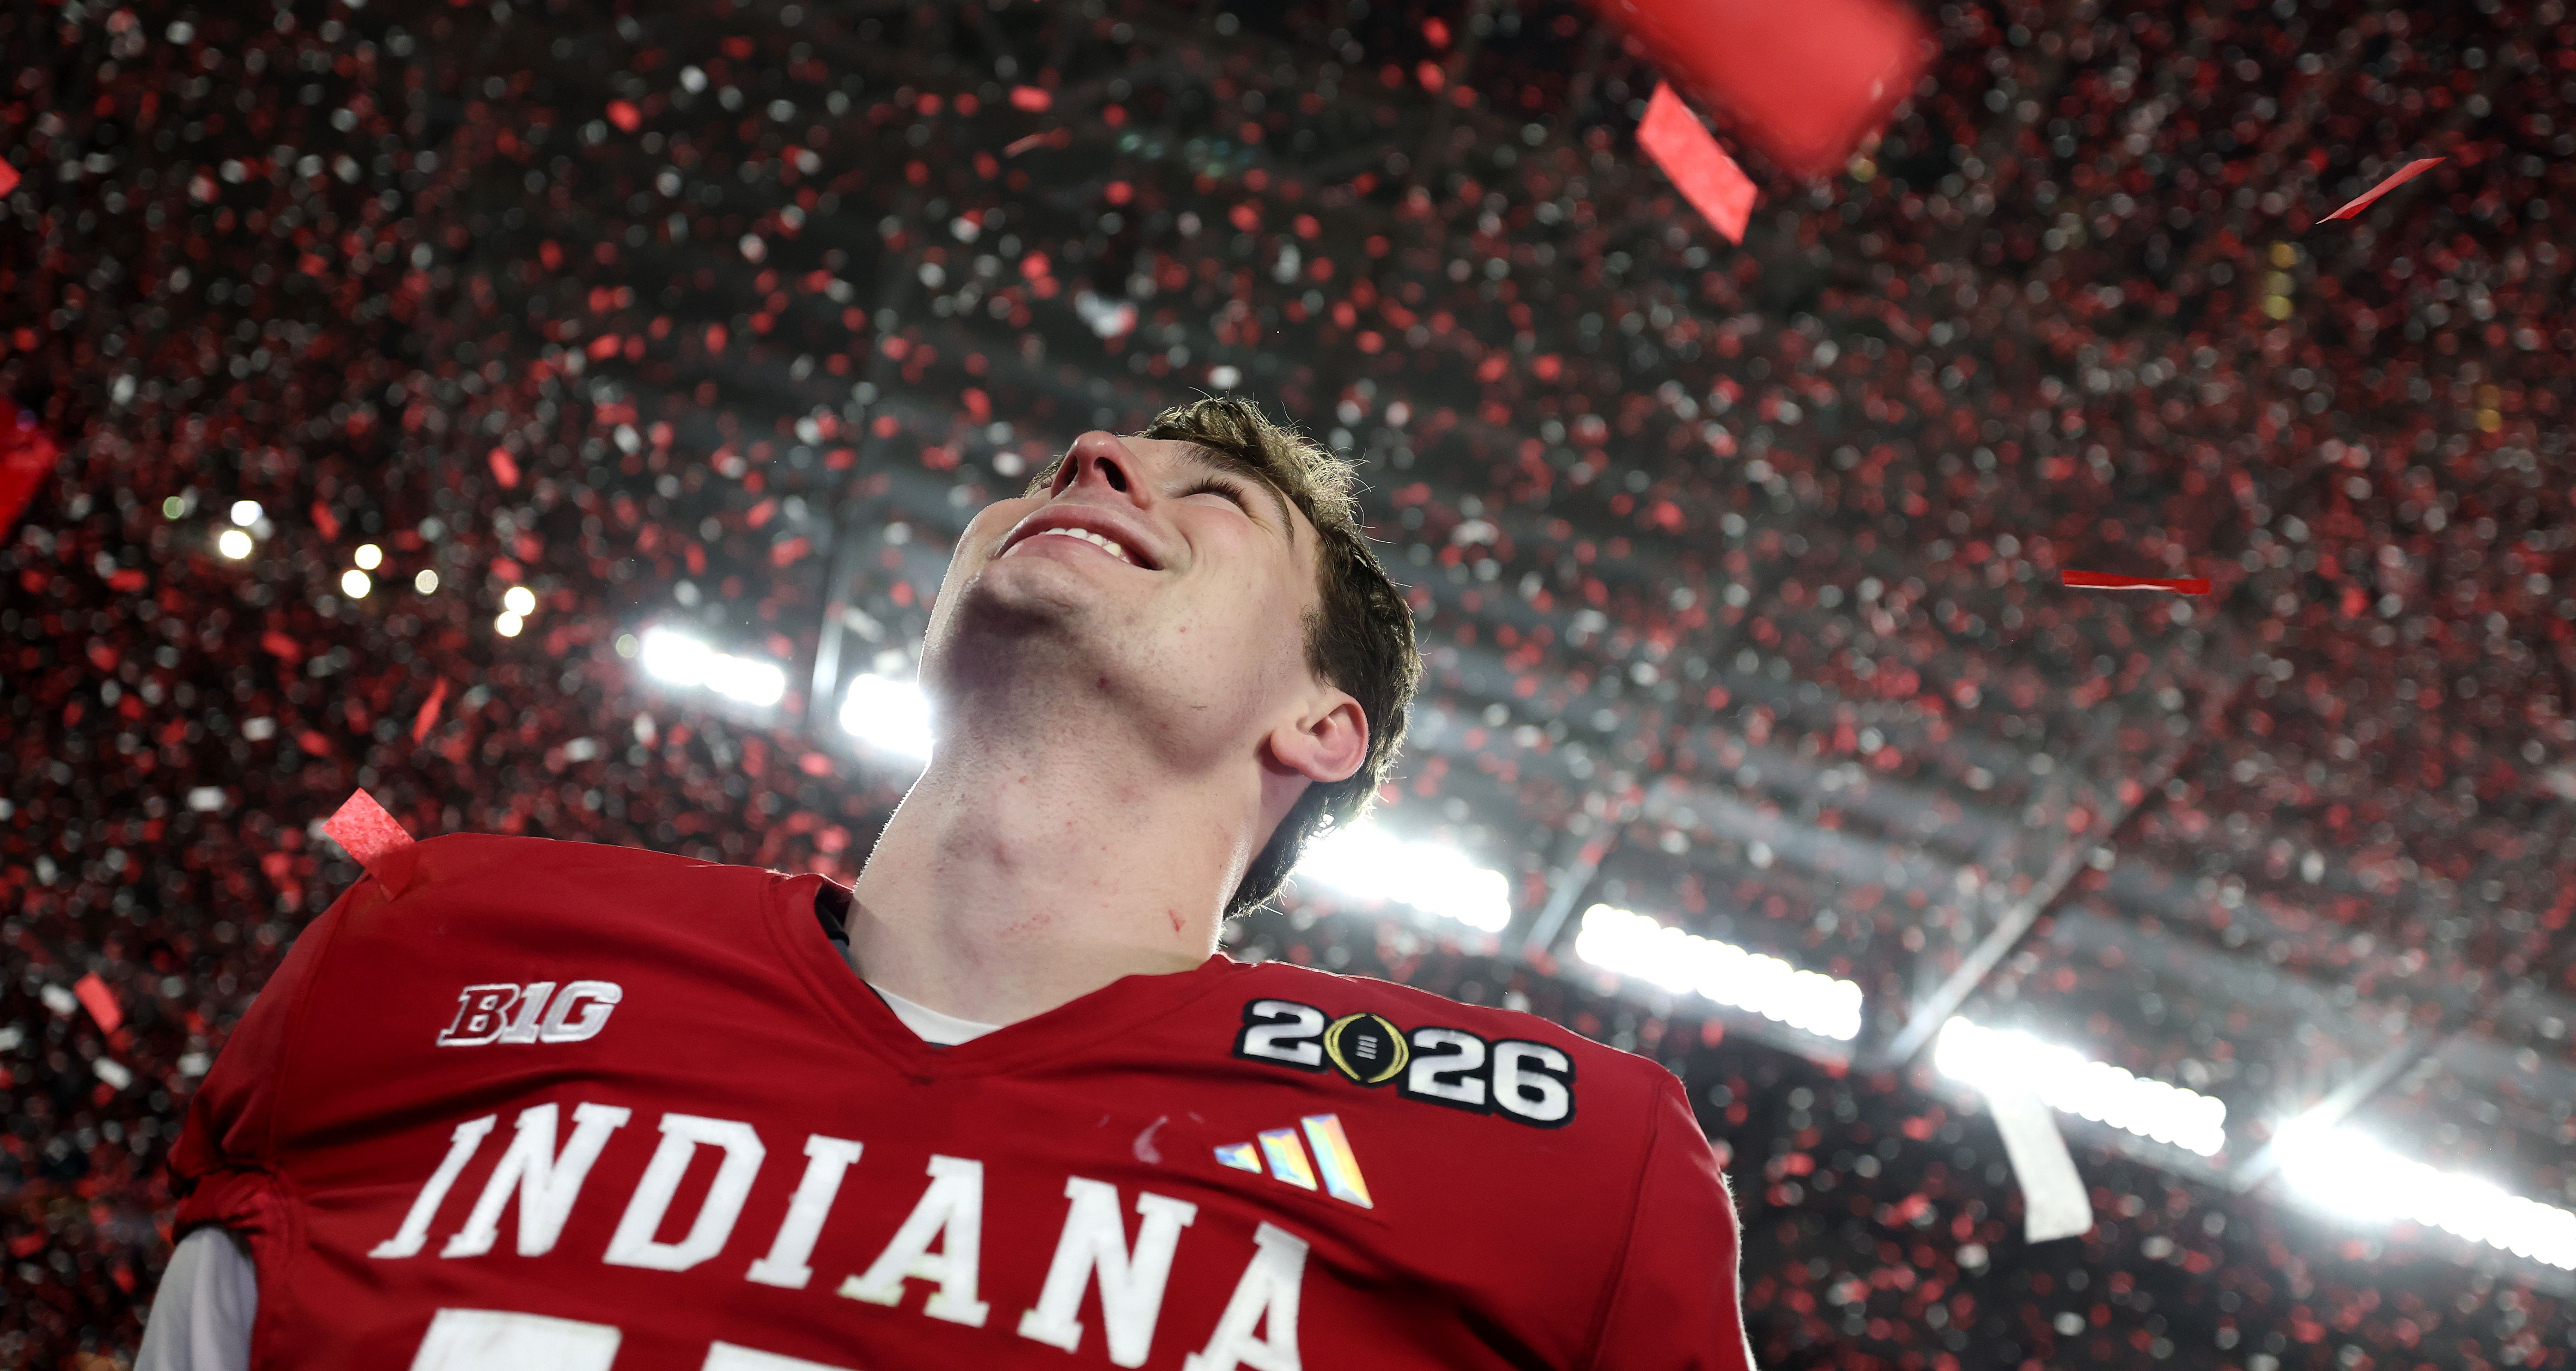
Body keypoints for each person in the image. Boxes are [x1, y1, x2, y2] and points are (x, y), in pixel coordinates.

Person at [143, 397, 1757, 1370]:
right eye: (1089, 453)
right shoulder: (439, 947)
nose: (1101, 457)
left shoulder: (1560, 1170)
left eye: (1215, 500)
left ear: (1321, 725)